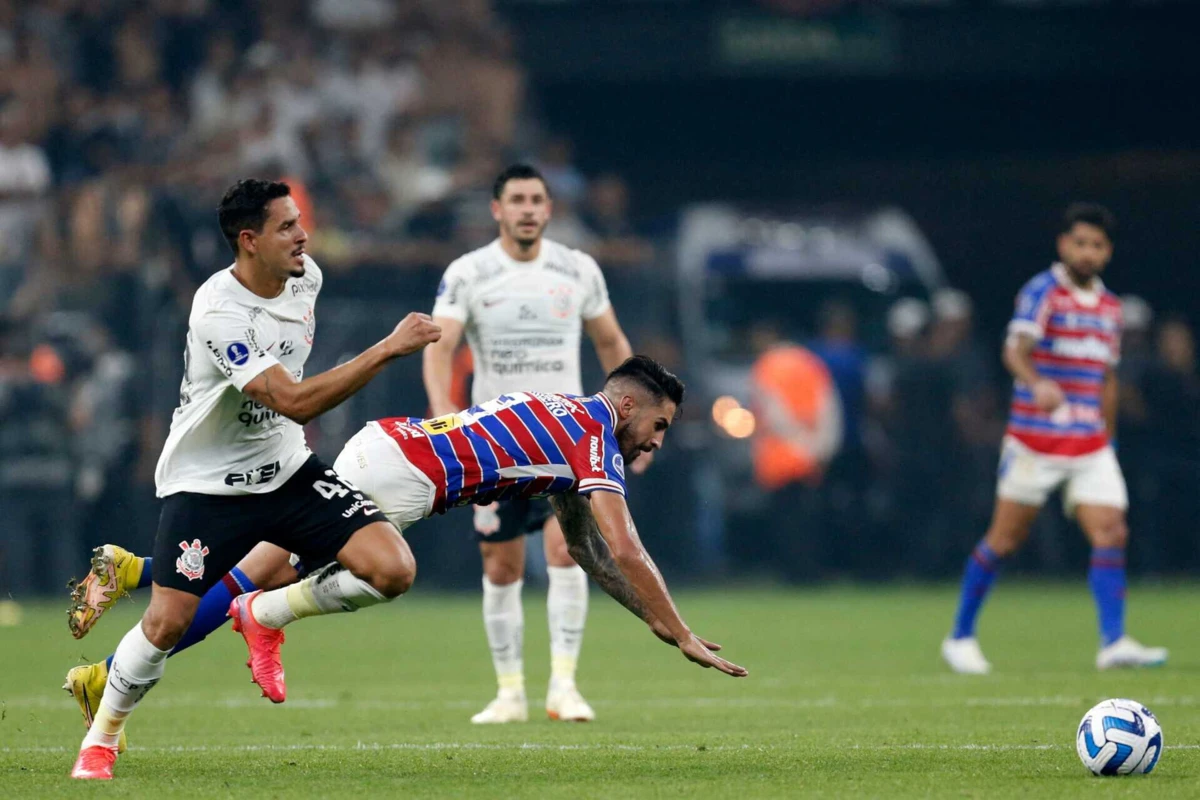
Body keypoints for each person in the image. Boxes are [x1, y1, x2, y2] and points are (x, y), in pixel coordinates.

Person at [64, 358, 747, 758]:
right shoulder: (594, 438)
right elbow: (625, 546)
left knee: (248, 569)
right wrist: (681, 632)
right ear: (627, 404)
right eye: (657, 426)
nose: (654, 443)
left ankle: (123, 606)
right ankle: (237, 613)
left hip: (392, 453)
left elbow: (593, 555)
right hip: (399, 476)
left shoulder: (572, 419)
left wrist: (663, 630)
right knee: (320, 579)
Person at [67, 178, 442, 780]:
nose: (304, 235)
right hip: (209, 487)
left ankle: (263, 613)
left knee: (392, 569)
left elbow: (286, 412)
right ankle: (101, 740)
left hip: (288, 471)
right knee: (168, 623)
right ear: (249, 240)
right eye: (287, 226)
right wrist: (386, 350)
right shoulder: (219, 313)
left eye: (300, 221)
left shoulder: (306, 279)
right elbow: (293, 400)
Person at [421, 164, 638, 724]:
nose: (527, 209)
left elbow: (611, 340)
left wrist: (630, 419)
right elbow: (440, 346)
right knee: (501, 567)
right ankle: (510, 691)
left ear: (549, 209)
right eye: (516, 199)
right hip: (495, 441)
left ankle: (564, 687)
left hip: (566, 438)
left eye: (536, 199)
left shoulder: (577, 268)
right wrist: (443, 409)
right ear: (497, 209)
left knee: (569, 552)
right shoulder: (469, 272)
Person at [941, 203, 1167, 675]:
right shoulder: (1043, 292)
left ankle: (1113, 642)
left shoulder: (1109, 308)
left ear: (1108, 252)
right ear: (1064, 245)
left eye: (1098, 245)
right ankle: (960, 636)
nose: (1088, 252)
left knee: (1111, 531)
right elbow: (1013, 351)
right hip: (1035, 442)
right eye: (1080, 243)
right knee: (1004, 540)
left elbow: (1106, 379)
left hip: (1089, 444)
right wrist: (1036, 381)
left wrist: (1110, 440)